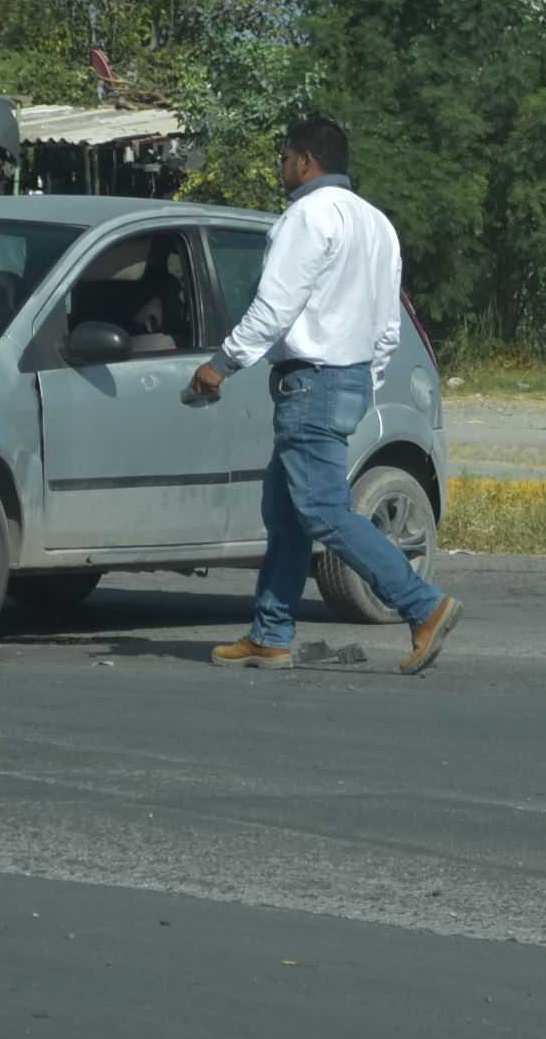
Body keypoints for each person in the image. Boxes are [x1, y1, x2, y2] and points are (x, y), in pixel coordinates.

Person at [186, 117, 463, 675]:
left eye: (285, 157)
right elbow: (388, 325)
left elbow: (274, 306)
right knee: (285, 512)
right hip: (348, 377)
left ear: (306, 160)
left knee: (324, 512)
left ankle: (423, 604)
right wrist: (363, 376)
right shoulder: (377, 224)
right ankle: (270, 633)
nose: (281, 168)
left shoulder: (307, 216)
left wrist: (221, 365)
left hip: (310, 383)